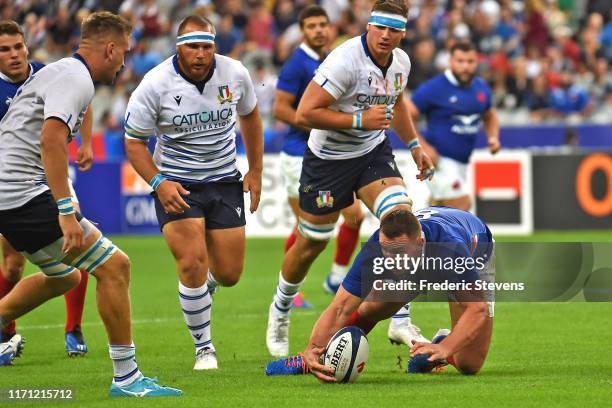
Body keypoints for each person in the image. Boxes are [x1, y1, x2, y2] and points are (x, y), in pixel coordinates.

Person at [0, 11, 181, 397]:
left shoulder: (63, 72)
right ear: (110, 48)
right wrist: (66, 210)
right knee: (116, 267)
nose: (124, 62)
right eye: (124, 53)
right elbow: (51, 140)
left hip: (10, 196)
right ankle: (128, 379)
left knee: (66, 276)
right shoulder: (75, 77)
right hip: (22, 195)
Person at [266, 0, 434, 358]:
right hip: (328, 160)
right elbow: (305, 111)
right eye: (380, 28)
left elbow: (396, 102)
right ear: (368, 26)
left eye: (394, 30)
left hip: (372, 154)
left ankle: (400, 317)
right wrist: (359, 120)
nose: (386, 36)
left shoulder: (401, 62)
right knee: (312, 241)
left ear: (403, 33)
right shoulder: (344, 60)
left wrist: (415, 144)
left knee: (401, 221)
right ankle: (281, 307)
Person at [124, 15, 263, 371]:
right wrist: (158, 183)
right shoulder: (154, 84)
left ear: (215, 46)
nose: (201, 54)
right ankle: (204, 348)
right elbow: (134, 142)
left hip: (224, 181)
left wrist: (257, 170)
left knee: (230, 274)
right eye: (193, 46)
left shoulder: (234, 73)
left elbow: (250, 116)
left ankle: (202, 288)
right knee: (191, 263)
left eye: (207, 46)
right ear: (178, 47)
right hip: (177, 184)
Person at [266, 207, 495, 380]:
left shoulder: (450, 250)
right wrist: (313, 348)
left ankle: (437, 346)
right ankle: (317, 358)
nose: (392, 261)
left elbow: (478, 309)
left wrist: (446, 347)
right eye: (387, 251)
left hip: (476, 250)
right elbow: (340, 307)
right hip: (424, 255)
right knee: (373, 306)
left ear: (420, 241)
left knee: (469, 364)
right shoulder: (376, 248)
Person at [0, 19, 92, 357]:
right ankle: (5, 328)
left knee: (78, 241)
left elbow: (85, 98)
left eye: (18, 47)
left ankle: (74, 329)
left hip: (51, 176)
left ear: (27, 45)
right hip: (14, 187)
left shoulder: (47, 74)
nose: (14, 55)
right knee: (12, 265)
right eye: (4, 49)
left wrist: (85, 143)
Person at [273, 5, 364, 295]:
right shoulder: (296, 64)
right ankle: (289, 292)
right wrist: (315, 125)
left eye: (323, 24)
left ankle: (336, 278)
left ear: (331, 28)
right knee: (307, 228)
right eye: (312, 26)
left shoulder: (332, 59)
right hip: (299, 153)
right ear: (302, 31)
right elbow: (280, 108)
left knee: (354, 216)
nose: (319, 30)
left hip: (328, 153)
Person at [407, 41, 501, 211]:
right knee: (462, 207)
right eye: (460, 61)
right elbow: (405, 115)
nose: (465, 66)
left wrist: (493, 137)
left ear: (476, 62)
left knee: (441, 214)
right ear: (450, 61)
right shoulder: (434, 88)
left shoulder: (481, 87)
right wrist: (421, 147)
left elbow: (490, 115)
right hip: (440, 161)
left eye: (470, 61)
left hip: (462, 163)